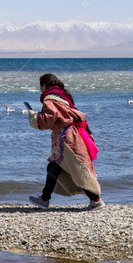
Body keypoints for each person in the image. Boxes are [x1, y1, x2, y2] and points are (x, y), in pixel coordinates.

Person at [28, 73, 104, 211]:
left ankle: (96, 200)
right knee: (54, 167)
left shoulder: (49, 99)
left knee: (77, 169)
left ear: (44, 86)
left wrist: (33, 116)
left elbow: (48, 120)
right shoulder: (63, 96)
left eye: (40, 86)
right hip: (73, 135)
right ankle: (44, 199)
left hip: (65, 138)